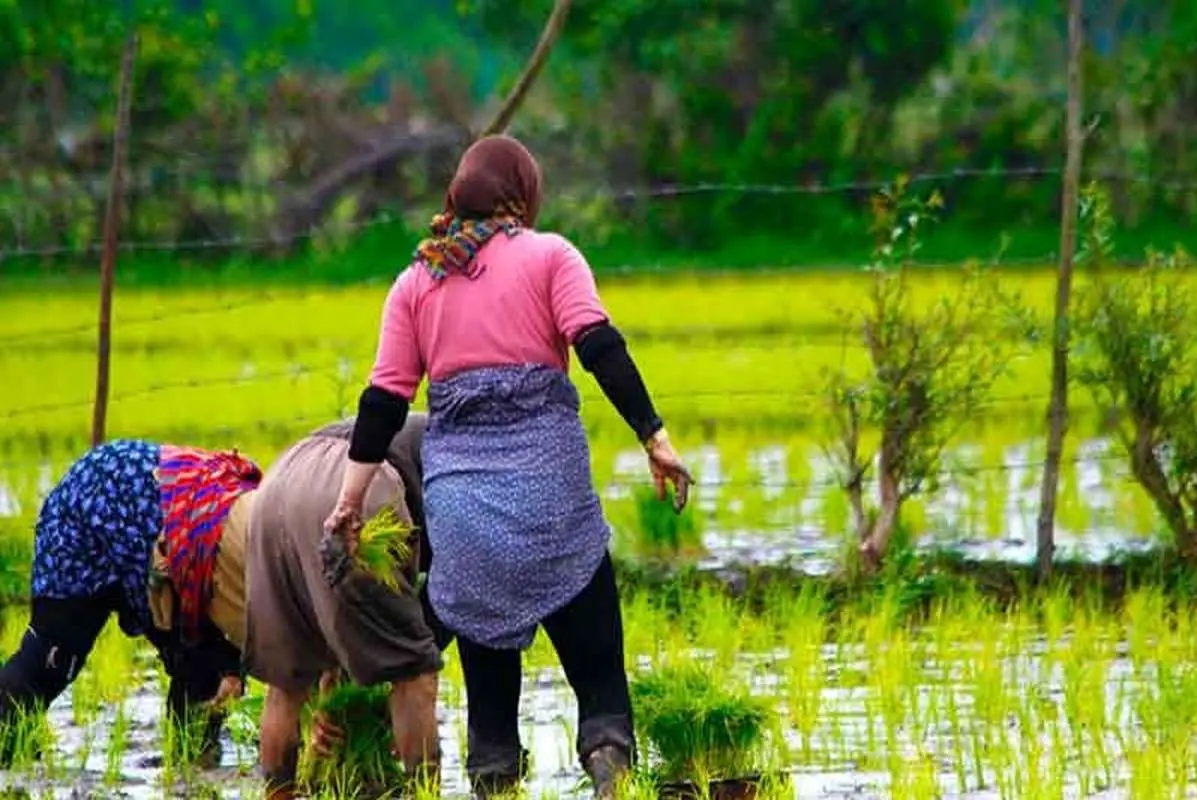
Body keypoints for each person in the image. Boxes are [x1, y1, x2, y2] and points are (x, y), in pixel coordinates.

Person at [325, 134, 695, 799]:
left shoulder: (417, 282)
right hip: (553, 504)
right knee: (601, 685)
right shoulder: (552, 256)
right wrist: (654, 436)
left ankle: (495, 774)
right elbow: (598, 345)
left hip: (465, 522)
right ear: (523, 194)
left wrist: (349, 501)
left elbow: (383, 402)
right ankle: (609, 760)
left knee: (490, 722)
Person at [160, 417, 445, 800]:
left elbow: (342, 620)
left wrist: (336, 693)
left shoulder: (432, 426)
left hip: (278, 487)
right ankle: (424, 793)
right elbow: (427, 617)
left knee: (286, 686)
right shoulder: (474, 460)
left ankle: (279, 793)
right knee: (415, 676)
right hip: (357, 484)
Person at [0, 438, 262, 766]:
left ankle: (192, 768)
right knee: (50, 656)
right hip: (100, 507)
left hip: (151, 511)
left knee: (204, 662)